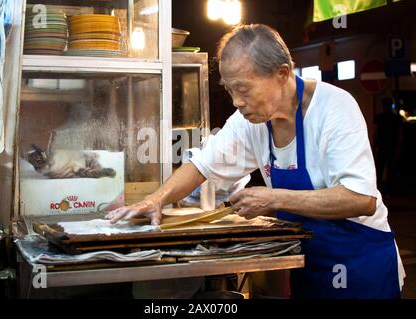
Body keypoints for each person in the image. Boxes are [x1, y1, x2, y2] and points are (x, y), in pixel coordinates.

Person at [105, 24, 405, 299]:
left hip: (360, 264)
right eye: (229, 89)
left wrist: (273, 198)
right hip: (309, 261)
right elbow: (202, 166)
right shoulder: (249, 120)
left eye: (244, 89)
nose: (236, 101)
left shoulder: (334, 108)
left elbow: (360, 198)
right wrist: (155, 199)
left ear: (282, 74)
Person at [373, 97, 403, 197]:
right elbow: (376, 132)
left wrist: (375, 144)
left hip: (386, 146)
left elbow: (376, 132)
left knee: (383, 170)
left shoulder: (384, 117)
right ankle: (387, 191)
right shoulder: (393, 118)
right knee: (384, 170)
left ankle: (386, 191)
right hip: (387, 146)